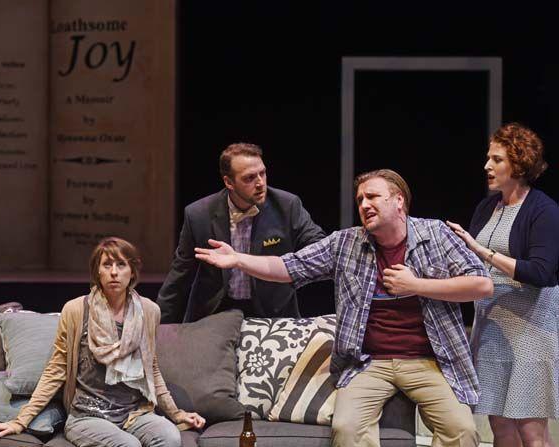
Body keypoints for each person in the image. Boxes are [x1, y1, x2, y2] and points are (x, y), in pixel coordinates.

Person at [195, 169, 493, 447]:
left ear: (399, 200)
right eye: (360, 199)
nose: (364, 204)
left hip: (428, 360)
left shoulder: (436, 235)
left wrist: (417, 286)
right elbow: (287, 266)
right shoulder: (346, 243)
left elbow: (482, 284)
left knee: (461, 430)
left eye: (373, 196)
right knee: (347, 429)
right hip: (368, 362)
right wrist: (238, 260)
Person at [0, 237, 205, 447]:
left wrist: (176, 414)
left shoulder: (149, 311)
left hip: (135, 413)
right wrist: (20, 421)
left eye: (121, 265)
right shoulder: (77, 309)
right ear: (97, 271)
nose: (114, 272)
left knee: (170, 438)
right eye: (107, 265)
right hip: (87, 416)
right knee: (129, 446)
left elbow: (151, 369)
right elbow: (56, 369)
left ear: (133, 271)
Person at [447, 123, 559, 447]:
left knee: (531, 431)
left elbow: (539, 271)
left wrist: (483, 252)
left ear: (519, 164)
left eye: (496, 159)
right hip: (491, 330)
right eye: (488, 158)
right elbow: (472, 265)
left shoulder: (544, 211)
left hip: (530, 332)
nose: (487, 166)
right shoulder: (488, 207)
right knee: (500, 427)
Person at [157, 142, 325, 323]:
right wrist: (156, 329)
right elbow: (180, 276)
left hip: (274, 312)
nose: (260, 183)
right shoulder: (199, 215)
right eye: (249, 178)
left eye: (263, 173)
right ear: (229, 182)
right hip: (216, 312)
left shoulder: (287, 205)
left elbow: (320, 248)